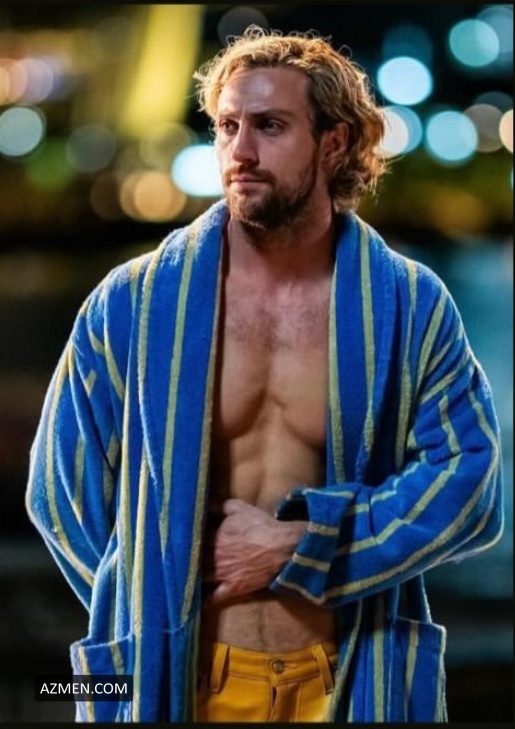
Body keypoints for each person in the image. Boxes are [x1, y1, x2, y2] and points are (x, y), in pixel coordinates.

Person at [25, 26, 504, 723]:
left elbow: (470, 484)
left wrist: (304, 547)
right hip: (179, 683)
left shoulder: (406, 302)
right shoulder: (132, 302)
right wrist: (152, 599)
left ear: (334, 142)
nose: (239, 152)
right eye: (227, 127)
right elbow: (58, 490)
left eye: (270, 126)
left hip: (348, 681)